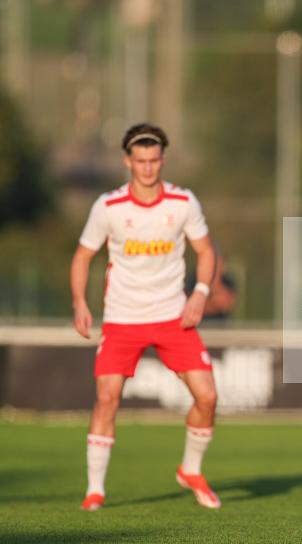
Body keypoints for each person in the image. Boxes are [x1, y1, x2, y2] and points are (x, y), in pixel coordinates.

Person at [70, 123, 221, 511]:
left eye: (154, 160)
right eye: (141, 161)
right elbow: (83, 255)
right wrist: (80, 303)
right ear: (128, 162)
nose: (148, 168)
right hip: (122, 318)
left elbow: (205, 251)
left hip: (174, 317)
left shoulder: (182, 202)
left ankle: (190, 469)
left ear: (162, 160)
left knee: (207, 396)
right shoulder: (108, 207)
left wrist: (200, 293)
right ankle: (95, 490)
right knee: (107, 398)